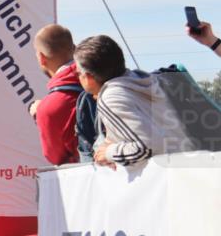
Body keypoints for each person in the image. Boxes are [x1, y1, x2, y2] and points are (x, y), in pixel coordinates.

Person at [74, 35, 196, 168]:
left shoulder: (111, 97)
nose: (78, 77)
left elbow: (146, 147)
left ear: (88, 77)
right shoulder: (143, 81)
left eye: (78, 73)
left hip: (166, 177)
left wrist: (108, 153)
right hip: (187, 165)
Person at [28, 24, 94, 164]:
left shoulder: (49, 107)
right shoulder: (102, 77)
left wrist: (39, 113)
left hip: (90, 180)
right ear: (74, 49)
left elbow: (56, 158)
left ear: (41, 58)